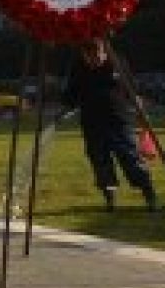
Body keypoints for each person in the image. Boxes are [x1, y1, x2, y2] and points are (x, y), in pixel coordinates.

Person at [63, 36, 158, 212]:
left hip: (119, 120)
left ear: (103, 51)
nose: (94, 61)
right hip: (92, 124)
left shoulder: (117, 61)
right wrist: (65, 107)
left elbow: (131, 88)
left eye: (97, 56)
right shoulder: (78, 67)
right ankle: (110, 200)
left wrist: (140, 109)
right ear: (84, 54)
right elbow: (70, 95)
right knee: (100, 162)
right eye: (89, 58)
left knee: (131, 159)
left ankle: (149, 195)